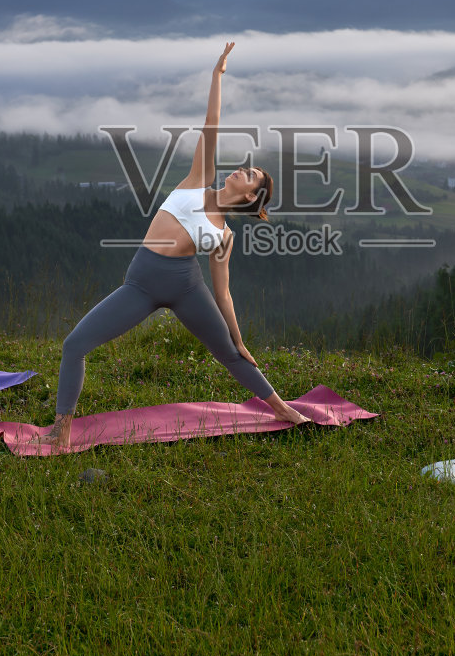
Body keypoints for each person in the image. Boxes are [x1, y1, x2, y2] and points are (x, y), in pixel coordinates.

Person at [32, 43, 308, 449]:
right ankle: (62, 428)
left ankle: (283, 408)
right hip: (141, 284)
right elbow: (211, 126)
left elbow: (223, 291)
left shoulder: (224, 236)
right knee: (75, 345)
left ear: (252, 196)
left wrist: (239, 336)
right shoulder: (199, 178)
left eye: (250, 173)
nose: (241, 169)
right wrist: (217, 76)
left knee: (231, 355)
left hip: (186, 288)